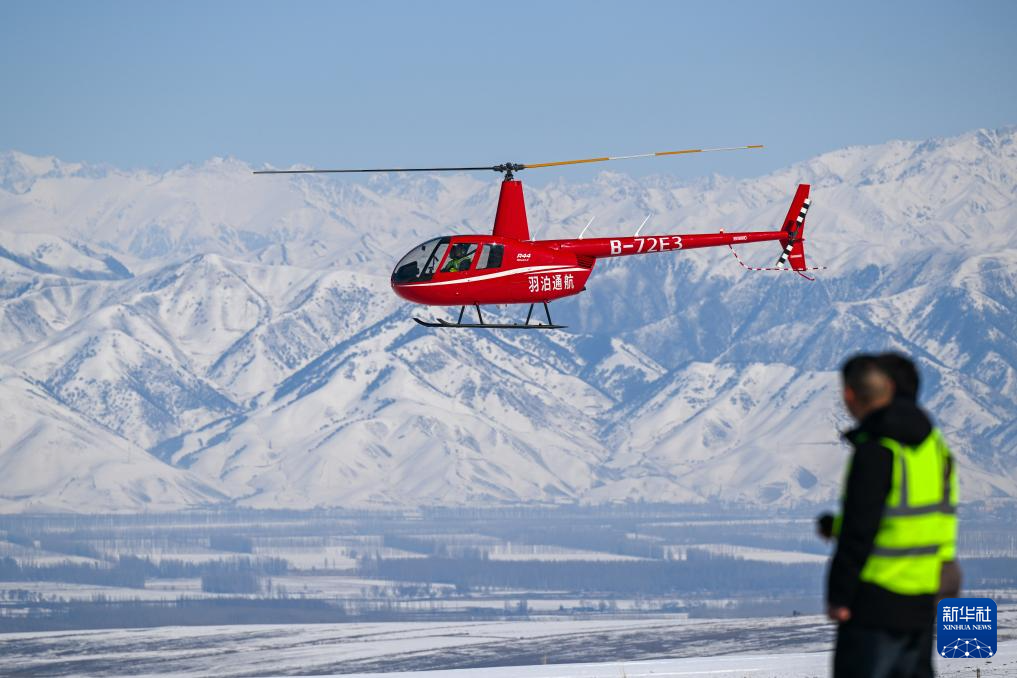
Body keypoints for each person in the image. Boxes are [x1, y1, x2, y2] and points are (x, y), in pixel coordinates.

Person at [819, 353, 957, 678]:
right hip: (923, 594)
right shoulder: (932, 446)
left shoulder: (878, 450)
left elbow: (860, 528)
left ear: (850, 394)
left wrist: (838, 595)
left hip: (875, 601)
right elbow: (906, 518)